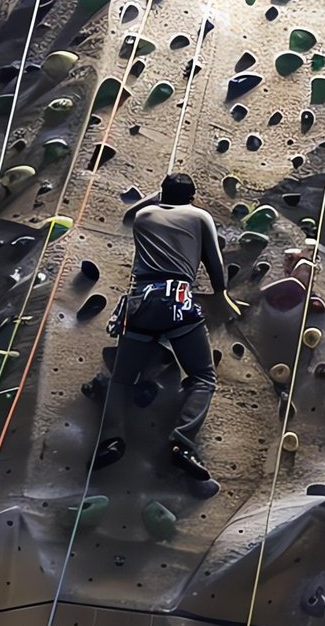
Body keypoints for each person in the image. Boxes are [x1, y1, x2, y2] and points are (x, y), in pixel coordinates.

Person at [95, 173, 236, 488]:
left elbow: (150, 210)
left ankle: (111, 440)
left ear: (162, 193)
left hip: (140, 302)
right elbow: (214, 263)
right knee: (203, 377)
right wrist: (222, 293)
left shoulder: (144, 216)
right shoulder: (200, 216)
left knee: (121, 378)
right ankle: (181, 442)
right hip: (179, 301)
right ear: (192, 196)